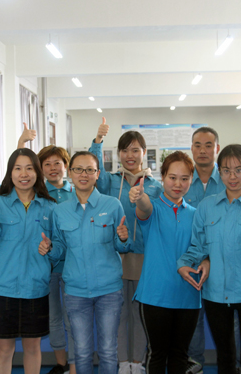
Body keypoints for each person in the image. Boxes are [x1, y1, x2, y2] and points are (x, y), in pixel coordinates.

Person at [178, 144, 241, 374]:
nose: (233, 176)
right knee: (225, 358)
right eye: (226, 170)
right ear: (219, 172)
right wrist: (183, 264)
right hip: (216, 294)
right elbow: (198, 246)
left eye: (238, 170)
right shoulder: (206, 207)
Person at [39, 151, 131, 374]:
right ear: (70, 173)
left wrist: (123, 238)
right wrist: (49, 248)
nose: (84, 174)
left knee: (108, 350)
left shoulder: (112, 205)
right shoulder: (60, 211)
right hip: (76, 291)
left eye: (90, 170)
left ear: (98, 174)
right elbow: (60, 250)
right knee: (81, 351)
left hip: (109, 290)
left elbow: (122, 247)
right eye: (78, 169)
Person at [90, 118, 163, 374]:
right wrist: (98, 141)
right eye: (124, 150)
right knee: (118, 313)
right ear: (118, 153)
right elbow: (93, 169)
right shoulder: (110, 182)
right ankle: (122, 362)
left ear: (144, 153)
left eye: (135, 150)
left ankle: (138, 362)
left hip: (145, 258)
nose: (129, 155)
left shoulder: (156, 186)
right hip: (115, 257)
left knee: (141, 314)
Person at [0, 148, 57, 374]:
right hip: (2, 288)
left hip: (35, 289)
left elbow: (59, 247)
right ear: (10, 173)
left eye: (29, 168)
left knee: (32, 347)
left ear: (37, 172)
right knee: (3, 349)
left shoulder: (49, 206)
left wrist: (50, 247)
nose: (24, 174)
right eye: (18, 168)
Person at [130, 151, 209, 374]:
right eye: (172, 177)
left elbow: (202, 248)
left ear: (191, 180)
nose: (178, 184)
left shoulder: (196, 214)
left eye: (184, 178)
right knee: (157, 354)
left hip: (188, 295)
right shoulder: (153, 208)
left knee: (180, 355)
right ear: (163, 177)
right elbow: (144, 207)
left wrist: (206, 261)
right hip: (155, 295)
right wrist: (139, 196)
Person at [19, 127, 77, 374]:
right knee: (53, 317)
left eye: (58, 163)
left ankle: (74, 364)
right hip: (47, 266)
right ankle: (61, 363)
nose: (53, 168)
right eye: (47, 164)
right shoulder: (38, 194)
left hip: (74, 266)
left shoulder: (76, 192)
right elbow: (18, 172)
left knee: (73, 318)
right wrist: (21, 143)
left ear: (66, 166)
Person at [184, 126, 226, 374]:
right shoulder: (184, 180)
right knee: (193, 317)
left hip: (223, 261)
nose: (202, 150)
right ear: (191, 148)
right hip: (191, 260)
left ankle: (232, 365)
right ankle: (195, 364)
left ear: (216, 148)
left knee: (227, 319)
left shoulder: (228, 180)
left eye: (208, 145)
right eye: (197, 145)